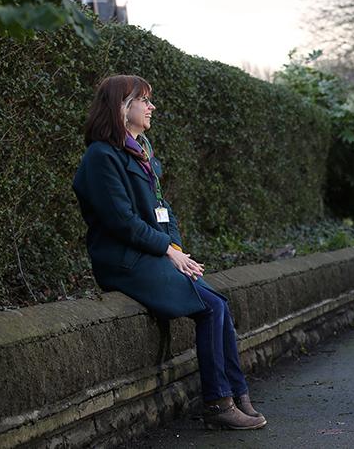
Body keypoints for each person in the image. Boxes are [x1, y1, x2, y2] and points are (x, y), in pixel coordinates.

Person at [72, 75, 266, 430]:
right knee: (209, 308)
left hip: (153, 254)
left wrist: (174, 246)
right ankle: (218, 403)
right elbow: (121, 221)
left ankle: (239, 394)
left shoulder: (142, 152)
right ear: (121, 107)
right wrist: (167, 251)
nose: (151, 107)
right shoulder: (101, 157)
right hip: (124, 261)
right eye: (143, 100)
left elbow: (164, 208)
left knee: (219, 303)